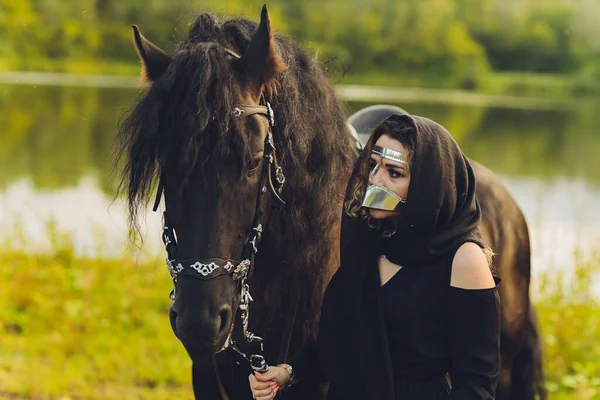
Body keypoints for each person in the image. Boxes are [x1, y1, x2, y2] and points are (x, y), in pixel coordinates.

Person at [249, 113, 501, 400]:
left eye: (394, 173)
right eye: (372, 165)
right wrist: (288, 373)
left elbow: (477, 383)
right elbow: (341, 342)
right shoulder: (370, 240)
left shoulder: (464, 258)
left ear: (427, 186)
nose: (374, 180)